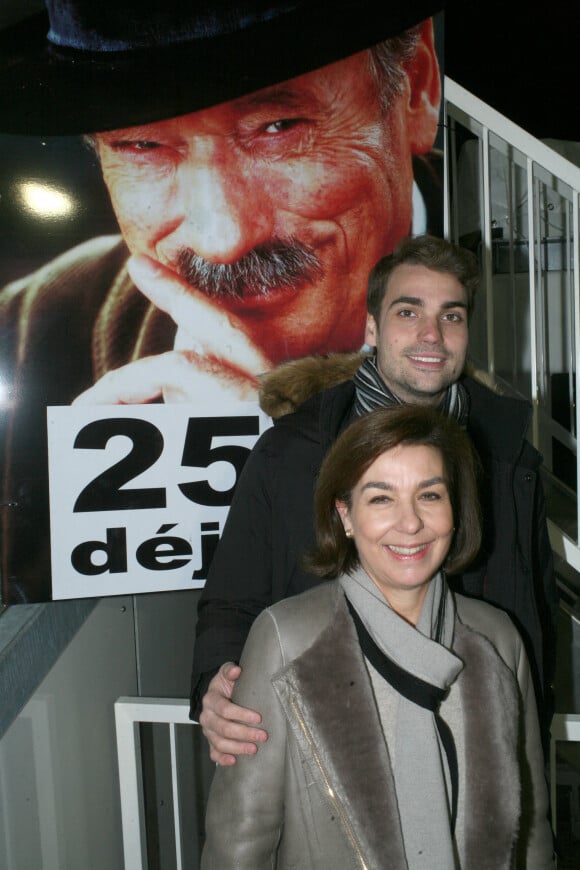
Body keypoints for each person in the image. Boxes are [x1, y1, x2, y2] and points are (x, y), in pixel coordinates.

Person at [0, 0, 444, 603]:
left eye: (278, 128)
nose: (224, 237)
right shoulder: (32, 325)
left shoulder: (495, 339)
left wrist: (276, 452)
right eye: (142, 145)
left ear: (416, 86)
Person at [191, 234, 558, 761]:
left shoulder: (509, 460)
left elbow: (534, 615)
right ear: (371, 326)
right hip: (328, 744)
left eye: (451, 316)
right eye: (409, 312)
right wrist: (216, 685)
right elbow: (232, 598)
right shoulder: (292, 452)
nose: (432, 334)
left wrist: (530, 731)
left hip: (475, 740)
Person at [201, 406, 554, 869]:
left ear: (455, 510)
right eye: (381, 498)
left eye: (430, 495)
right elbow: (240, 843)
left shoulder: (499, 640)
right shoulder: (286, 639)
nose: (410, 523)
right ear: (345, 515)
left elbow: (531, 827)